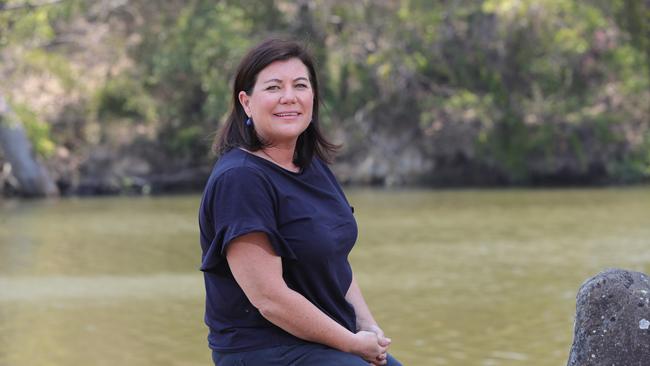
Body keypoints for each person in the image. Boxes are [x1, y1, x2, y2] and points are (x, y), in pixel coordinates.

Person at [198, 38, 401, 366]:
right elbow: (269, 298)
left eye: (300, 85)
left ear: (313, 97)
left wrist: (367, 326)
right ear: (246, 102)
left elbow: (334, 261)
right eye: (274, 87)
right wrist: (350, 343)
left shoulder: (312, 167)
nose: (289, 97)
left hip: (329, 340)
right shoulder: (240, 179)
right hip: (265, 350)